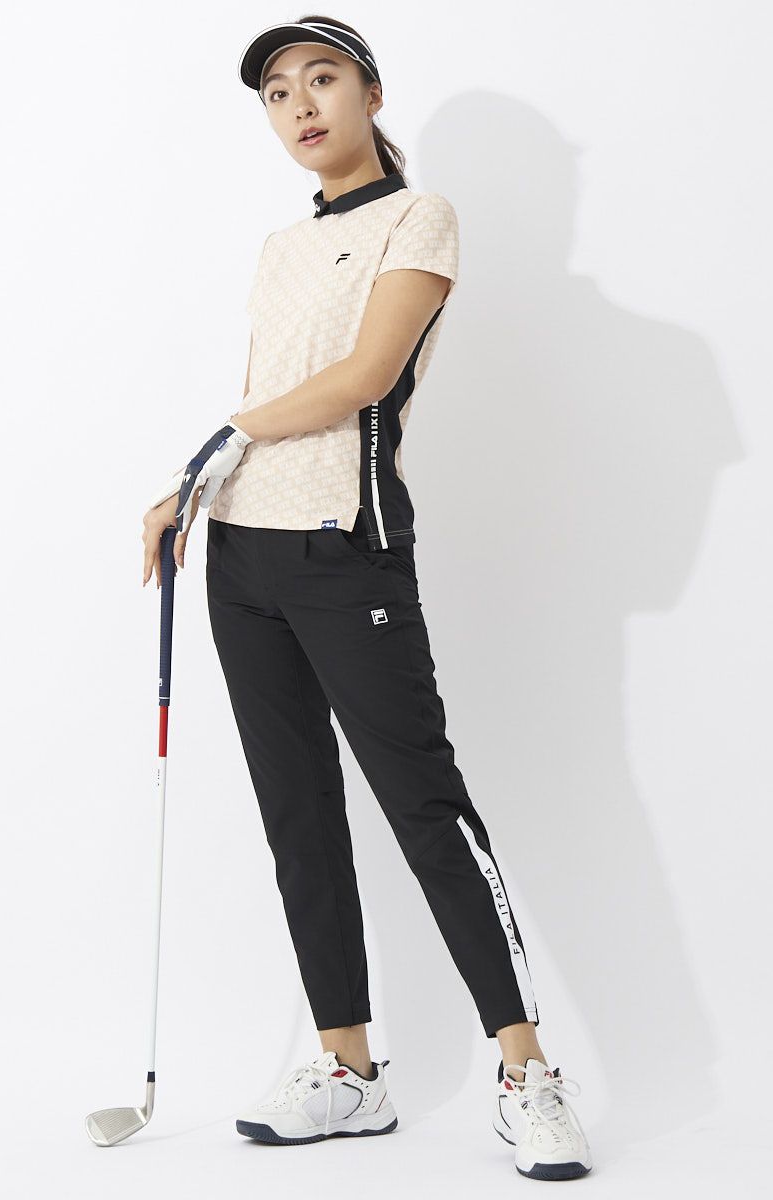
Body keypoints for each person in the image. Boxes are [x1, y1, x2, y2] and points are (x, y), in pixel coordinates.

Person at [141, 14, 592, 1180]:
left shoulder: (418, 217)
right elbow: (275, 398)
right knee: (297, 815)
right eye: (276, 92)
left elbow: (363, 378)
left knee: (426, 812)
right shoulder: (278, 248)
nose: (299, 106)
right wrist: (198, 493)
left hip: (349, 552)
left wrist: (215, 440)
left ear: (371, 93)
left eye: (322, 78)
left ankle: (527, 1073)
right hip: (242, 558)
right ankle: (347, 1071)